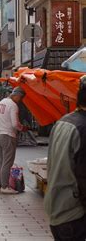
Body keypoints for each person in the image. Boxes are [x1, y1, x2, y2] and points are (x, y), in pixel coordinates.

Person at [44, 75, 86, 241]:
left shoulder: (63, 121)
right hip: (75, 214)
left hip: (57, 208)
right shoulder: (83, 128)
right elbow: (83, 176)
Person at [0, 87, 28, 194]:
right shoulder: (13, 105)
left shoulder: (1, 102)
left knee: (1, 162)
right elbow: (15, 124)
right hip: (8, 135)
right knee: (7, 163)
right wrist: (22, 128)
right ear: (17, 95)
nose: (20, 100)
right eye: (21, 98)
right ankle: (5, 186)